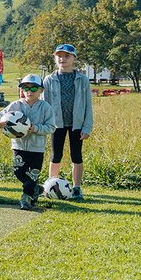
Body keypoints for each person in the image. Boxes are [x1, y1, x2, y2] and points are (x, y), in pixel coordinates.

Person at [0, 73, 57, 210]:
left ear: (41, 90)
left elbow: (51, 127)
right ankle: (35, 188)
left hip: (37, 148)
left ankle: (26, 198)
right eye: (26, 88)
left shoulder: (45, 107)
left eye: (33, 88)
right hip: (19, 146)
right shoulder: (15, 105)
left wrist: (36, 128)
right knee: (19, 172)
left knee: (33, 174)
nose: (29, 91)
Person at [42, 43, 94, 201]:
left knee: (76, 155)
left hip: (76, 124)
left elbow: (88, 105)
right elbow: (45, 104)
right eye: (59, 56)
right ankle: (51, 186)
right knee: (56, 154)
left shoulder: (82, 80)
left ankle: (76, 188)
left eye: (67, 56)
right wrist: (45, 124)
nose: (62, 59)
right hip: (56, 123)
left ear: (74, 59)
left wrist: (87, 127)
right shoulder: (49, 80)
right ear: (55, 58)